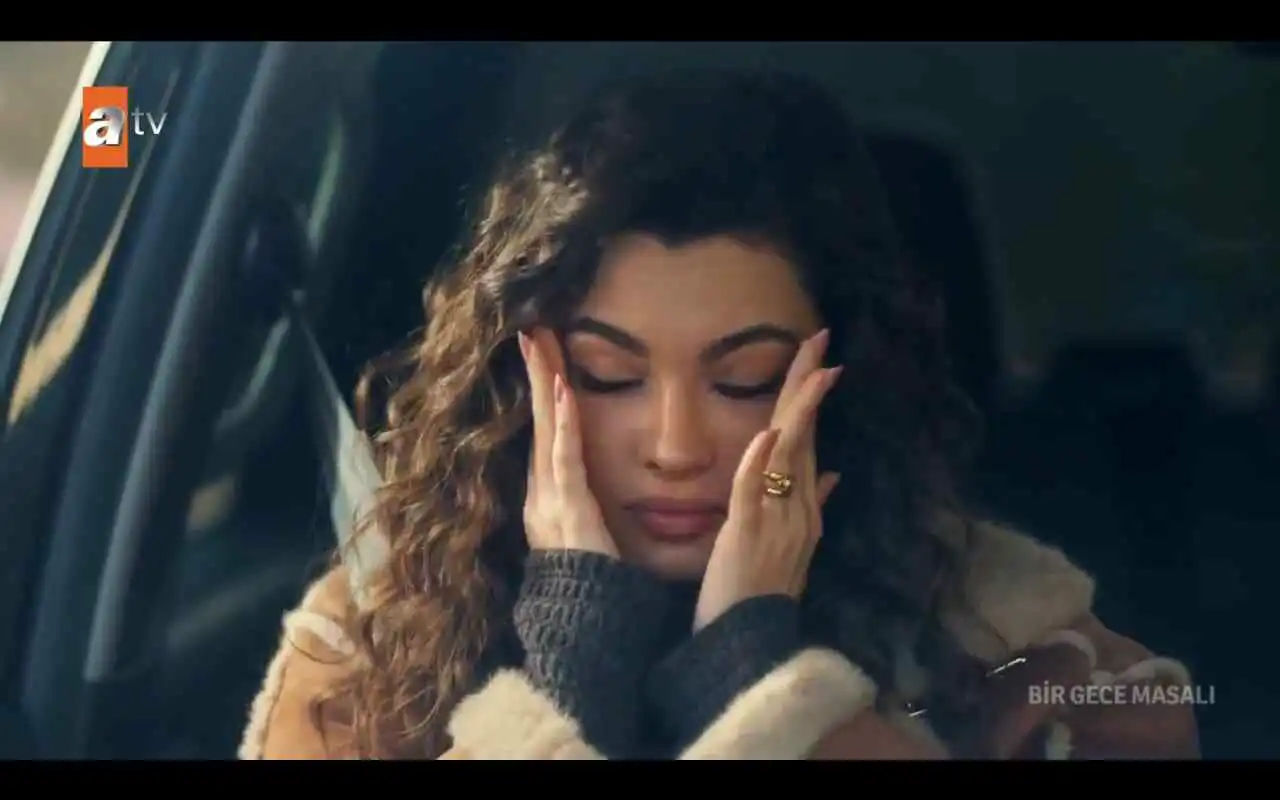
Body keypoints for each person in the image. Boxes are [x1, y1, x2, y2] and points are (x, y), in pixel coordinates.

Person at [239, 70, 1200, 760]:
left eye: (745, 381)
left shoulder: (1027, 651)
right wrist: (571, 667)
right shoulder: (372, 642)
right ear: (521, 382)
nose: (675, 448)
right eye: (609, 375)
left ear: (839, 386)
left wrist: (752, 679)